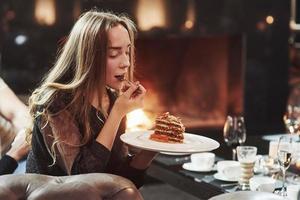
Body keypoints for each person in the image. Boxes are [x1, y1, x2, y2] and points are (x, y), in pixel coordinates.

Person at [26, 10, 157, 188]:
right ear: (88, 56)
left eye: (127, 52)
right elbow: (82, 179)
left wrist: (149, 151)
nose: (125, 62)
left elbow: (121, 181)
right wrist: (117, 113)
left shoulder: (112, 99)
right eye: (114, 53)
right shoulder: (55, 101)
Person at [0, 77, 30, 174]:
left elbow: (17, 113)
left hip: (19, 147)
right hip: (9, 161)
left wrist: (34, 133)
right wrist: (15, 153)